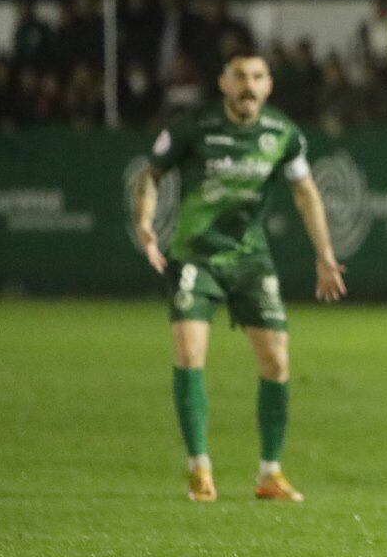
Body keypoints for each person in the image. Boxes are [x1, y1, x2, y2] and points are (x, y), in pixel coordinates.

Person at [130, 54, 347, 504]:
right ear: (223, 83)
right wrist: (146, 223)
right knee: (190, 353)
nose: (249, 85)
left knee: (277, 362)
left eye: (258, 77)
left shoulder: (281, 133)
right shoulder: (193, 126)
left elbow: (306, 193)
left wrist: (325, 256)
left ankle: (270, 473)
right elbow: (150, 175)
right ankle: (199, 469)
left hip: (250, 259)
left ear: (268, 86)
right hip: (195, 256)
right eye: (241, 77)